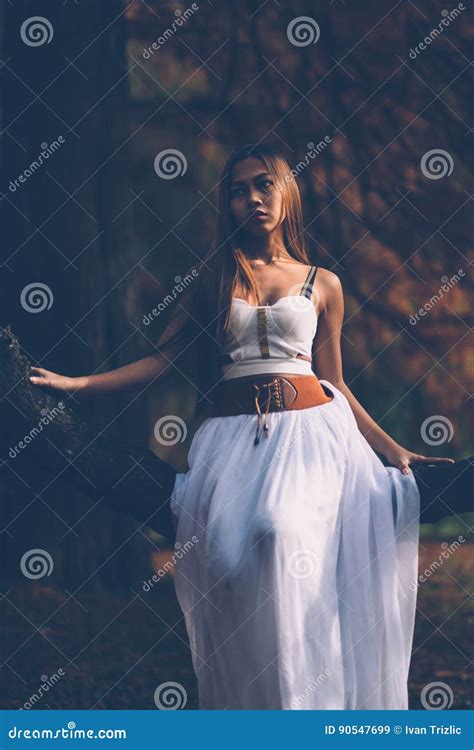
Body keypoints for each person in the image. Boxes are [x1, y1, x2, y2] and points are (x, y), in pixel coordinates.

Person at [29, 144, 472, 709]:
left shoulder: (324, 283)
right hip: (234, 442)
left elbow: (336, 381)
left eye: (264, 185)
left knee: (280, 532)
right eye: (238, 190)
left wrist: (392, 449)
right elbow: (161, 361)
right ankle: (259, 707)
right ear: (228, 203)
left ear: (286, 193)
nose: (252, 199)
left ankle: (312, 706)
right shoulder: (213, 279)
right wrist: (76, 384)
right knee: (230, 564)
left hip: (313, 435)